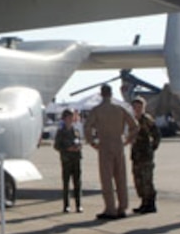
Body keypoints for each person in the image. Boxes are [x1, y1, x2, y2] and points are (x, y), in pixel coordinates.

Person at [84, 85, 137, 220]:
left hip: (105, 144)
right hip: (118, 143)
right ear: (111, 93)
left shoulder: (97, 110)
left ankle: (110, 208)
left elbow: (87, 127)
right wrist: (128, 140)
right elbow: (134, 126)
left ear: (101, 94)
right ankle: (122, 207)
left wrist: (92, 142)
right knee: (120, 176)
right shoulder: (119, 109)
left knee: (107, 178)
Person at [130, 97, 161, 214]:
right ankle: (143, 202)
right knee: (138, 180)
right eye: (135, 107)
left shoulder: (146, 119)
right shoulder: (132, 120)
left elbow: (157, 134)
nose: (137, 109)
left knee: (147, 180)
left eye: (139, 107)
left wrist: (152, 148)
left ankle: (150, 204)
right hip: (136, 154)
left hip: (145, 154)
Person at [52, 108, 83, 213]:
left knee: (77, 183)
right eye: (68, 117)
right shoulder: (61, 132)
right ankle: (66, 205)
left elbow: (79, 142)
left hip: (76, 159)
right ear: (64, 119)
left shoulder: (76, 131)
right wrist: (67, 149)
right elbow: (56, 146)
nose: (70, 119)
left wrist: (78, 147)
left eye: (71, 117)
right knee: (66, 183)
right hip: (66, 160)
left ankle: (78, 205)